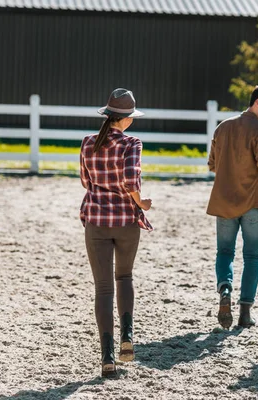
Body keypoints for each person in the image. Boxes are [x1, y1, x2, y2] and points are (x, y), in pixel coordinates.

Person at [79, 88, 153, 377]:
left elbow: (86, 181)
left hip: (96, 220)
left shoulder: (88, 143)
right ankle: (127, 338)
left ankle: (107, 357)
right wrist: (141, 202)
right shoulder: (132, 143)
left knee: (103, 288)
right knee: (124, 277)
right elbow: (131, 180)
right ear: (127, 119)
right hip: (125, 221)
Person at [206, 84, 258, 329]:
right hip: (254, 203)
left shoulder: (223, 127)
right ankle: (244, 314)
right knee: (252, 257)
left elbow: (212, 164)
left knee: (224, 253)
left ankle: (225, 290)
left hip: (224, 202)